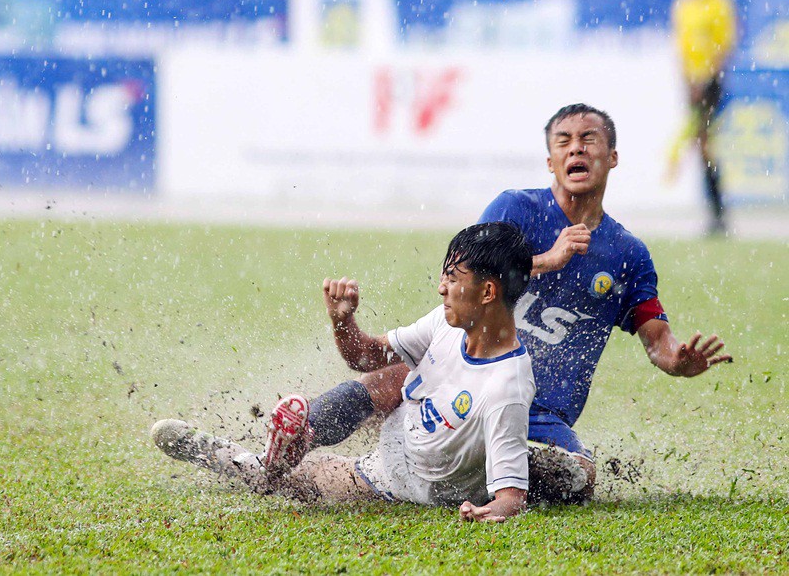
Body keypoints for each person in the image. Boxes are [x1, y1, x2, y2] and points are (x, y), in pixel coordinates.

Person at [262, 103, 732, 505]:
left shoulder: (628, 255)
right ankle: (298, 436)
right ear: (550, 160)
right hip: (464, 381)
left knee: (579, 478)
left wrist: (678, 360)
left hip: (542, 413)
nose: (576, 149)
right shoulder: (515, 209)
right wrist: (549, 258)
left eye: (589, 140)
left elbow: (657, 337)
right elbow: (467, 275)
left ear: (612, 157)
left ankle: (480, 474)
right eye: (564, 141)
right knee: (395, 376)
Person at [153, 222, 535, 522]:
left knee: (286, 482)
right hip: (401, 428)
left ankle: (219, 454)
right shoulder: (445, 324)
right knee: (393, 373)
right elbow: (366, 356)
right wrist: (342, 321)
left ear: (487, 292)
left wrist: (485, 512)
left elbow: (511, 498)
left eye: (453, 279)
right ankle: (302, 435)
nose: (441, 289)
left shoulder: (505, 389)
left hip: (393, 480)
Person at [668, 0, 738, 235]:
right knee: (703, 146)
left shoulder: (719, 3)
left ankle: (718, 212)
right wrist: (688, 83)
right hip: (692, 84)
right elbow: (682, 50)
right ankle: (716, 211)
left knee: (706, 144)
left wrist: (707, 80)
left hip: (711, 83)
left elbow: (725, 46)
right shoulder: (683, 5)